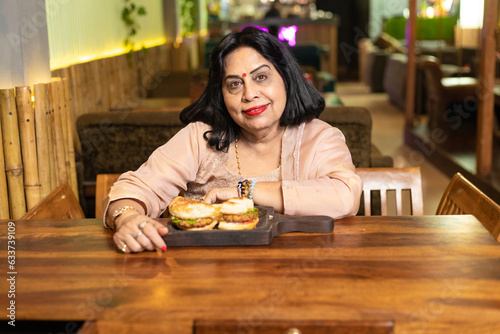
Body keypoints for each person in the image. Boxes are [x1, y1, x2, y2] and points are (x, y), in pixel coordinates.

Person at [104, 27, 362, 253]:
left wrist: (245, 192)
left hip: (292, 275)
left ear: (286, 78)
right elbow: (135, 189)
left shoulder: (319, 138)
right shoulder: (200, 138)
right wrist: (126, 218)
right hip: (205, 282)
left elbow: (345, 195)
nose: (249, 94)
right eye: (234, 84)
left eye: (261, 77)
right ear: (222, 95)